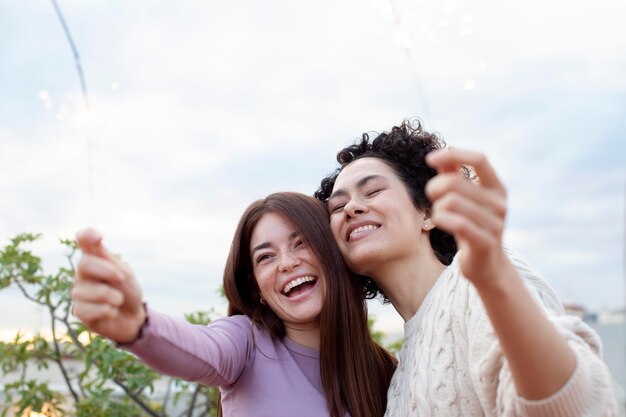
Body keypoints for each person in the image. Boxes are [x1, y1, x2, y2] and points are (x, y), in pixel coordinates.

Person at [315, 120, 617, 416]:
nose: (352, 208)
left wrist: (495, 277)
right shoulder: (399, 374)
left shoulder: (478, 281)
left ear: (429, 212)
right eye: (337, 207)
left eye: (372, 191)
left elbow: (574, 408)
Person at [72, 192, 396, 417]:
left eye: (302, 243)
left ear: (334, 255)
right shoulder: (246, 343)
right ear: (256, 288)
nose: (286, 263)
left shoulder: (384, 369)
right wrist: (137, 325)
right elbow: (199, 349)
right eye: (265, 257)